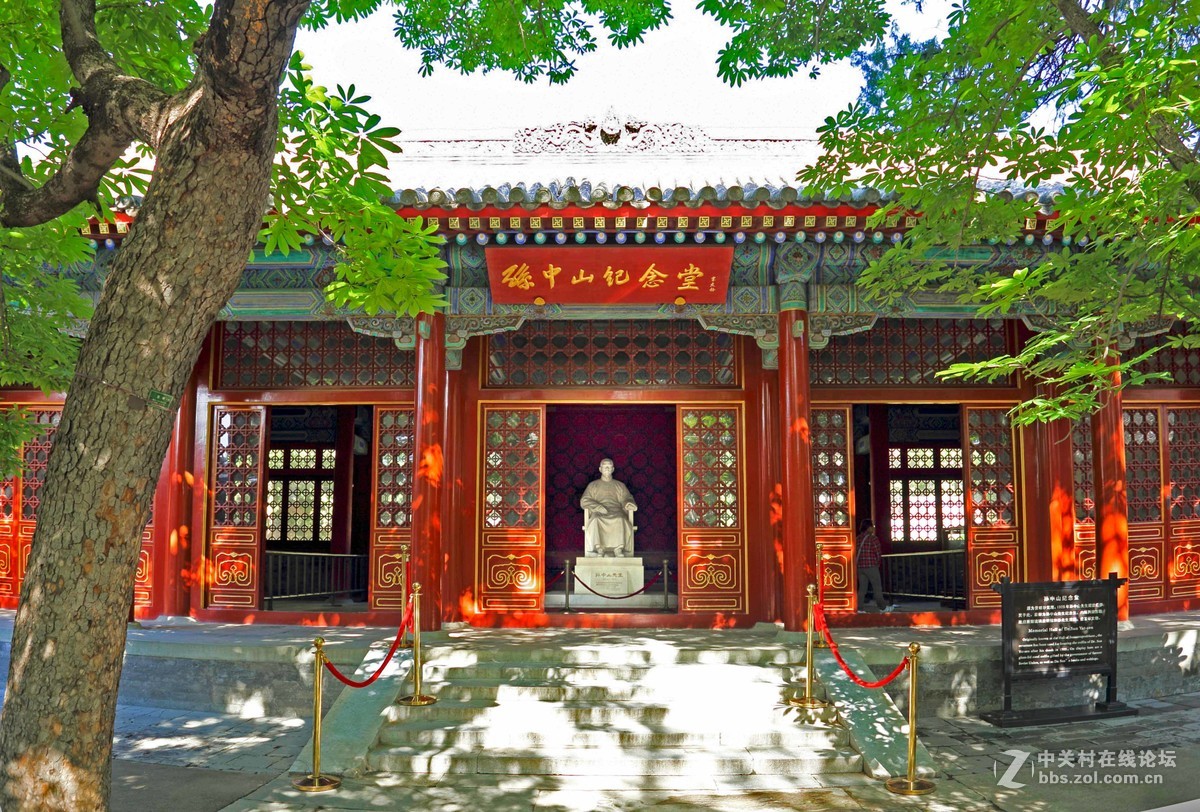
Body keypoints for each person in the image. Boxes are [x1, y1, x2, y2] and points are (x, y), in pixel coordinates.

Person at [581, 458, 637, 557]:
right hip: (599, 512)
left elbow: (626, 498)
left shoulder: (620, 485)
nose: (607, 468)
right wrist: (597, 507)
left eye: (609, 466)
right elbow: (584, 500)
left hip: (616, 511)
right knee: (596, 520)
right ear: (600, 469)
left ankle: (618, 548)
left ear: (613, 469)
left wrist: (628, 503)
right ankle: (600, 548)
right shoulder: (593, 485)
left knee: (620, 519)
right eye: (605, 466)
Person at [855, 519, 894, 613]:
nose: (873, 528)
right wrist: (877, 563)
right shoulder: (873, 538)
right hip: (871, 566)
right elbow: (878, 552)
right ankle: (882, 607)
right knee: (877, 588)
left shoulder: (857, 539)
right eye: (872, 526)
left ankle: (860, 608)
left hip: (860, 567)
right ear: (869, 527)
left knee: (862, 589)